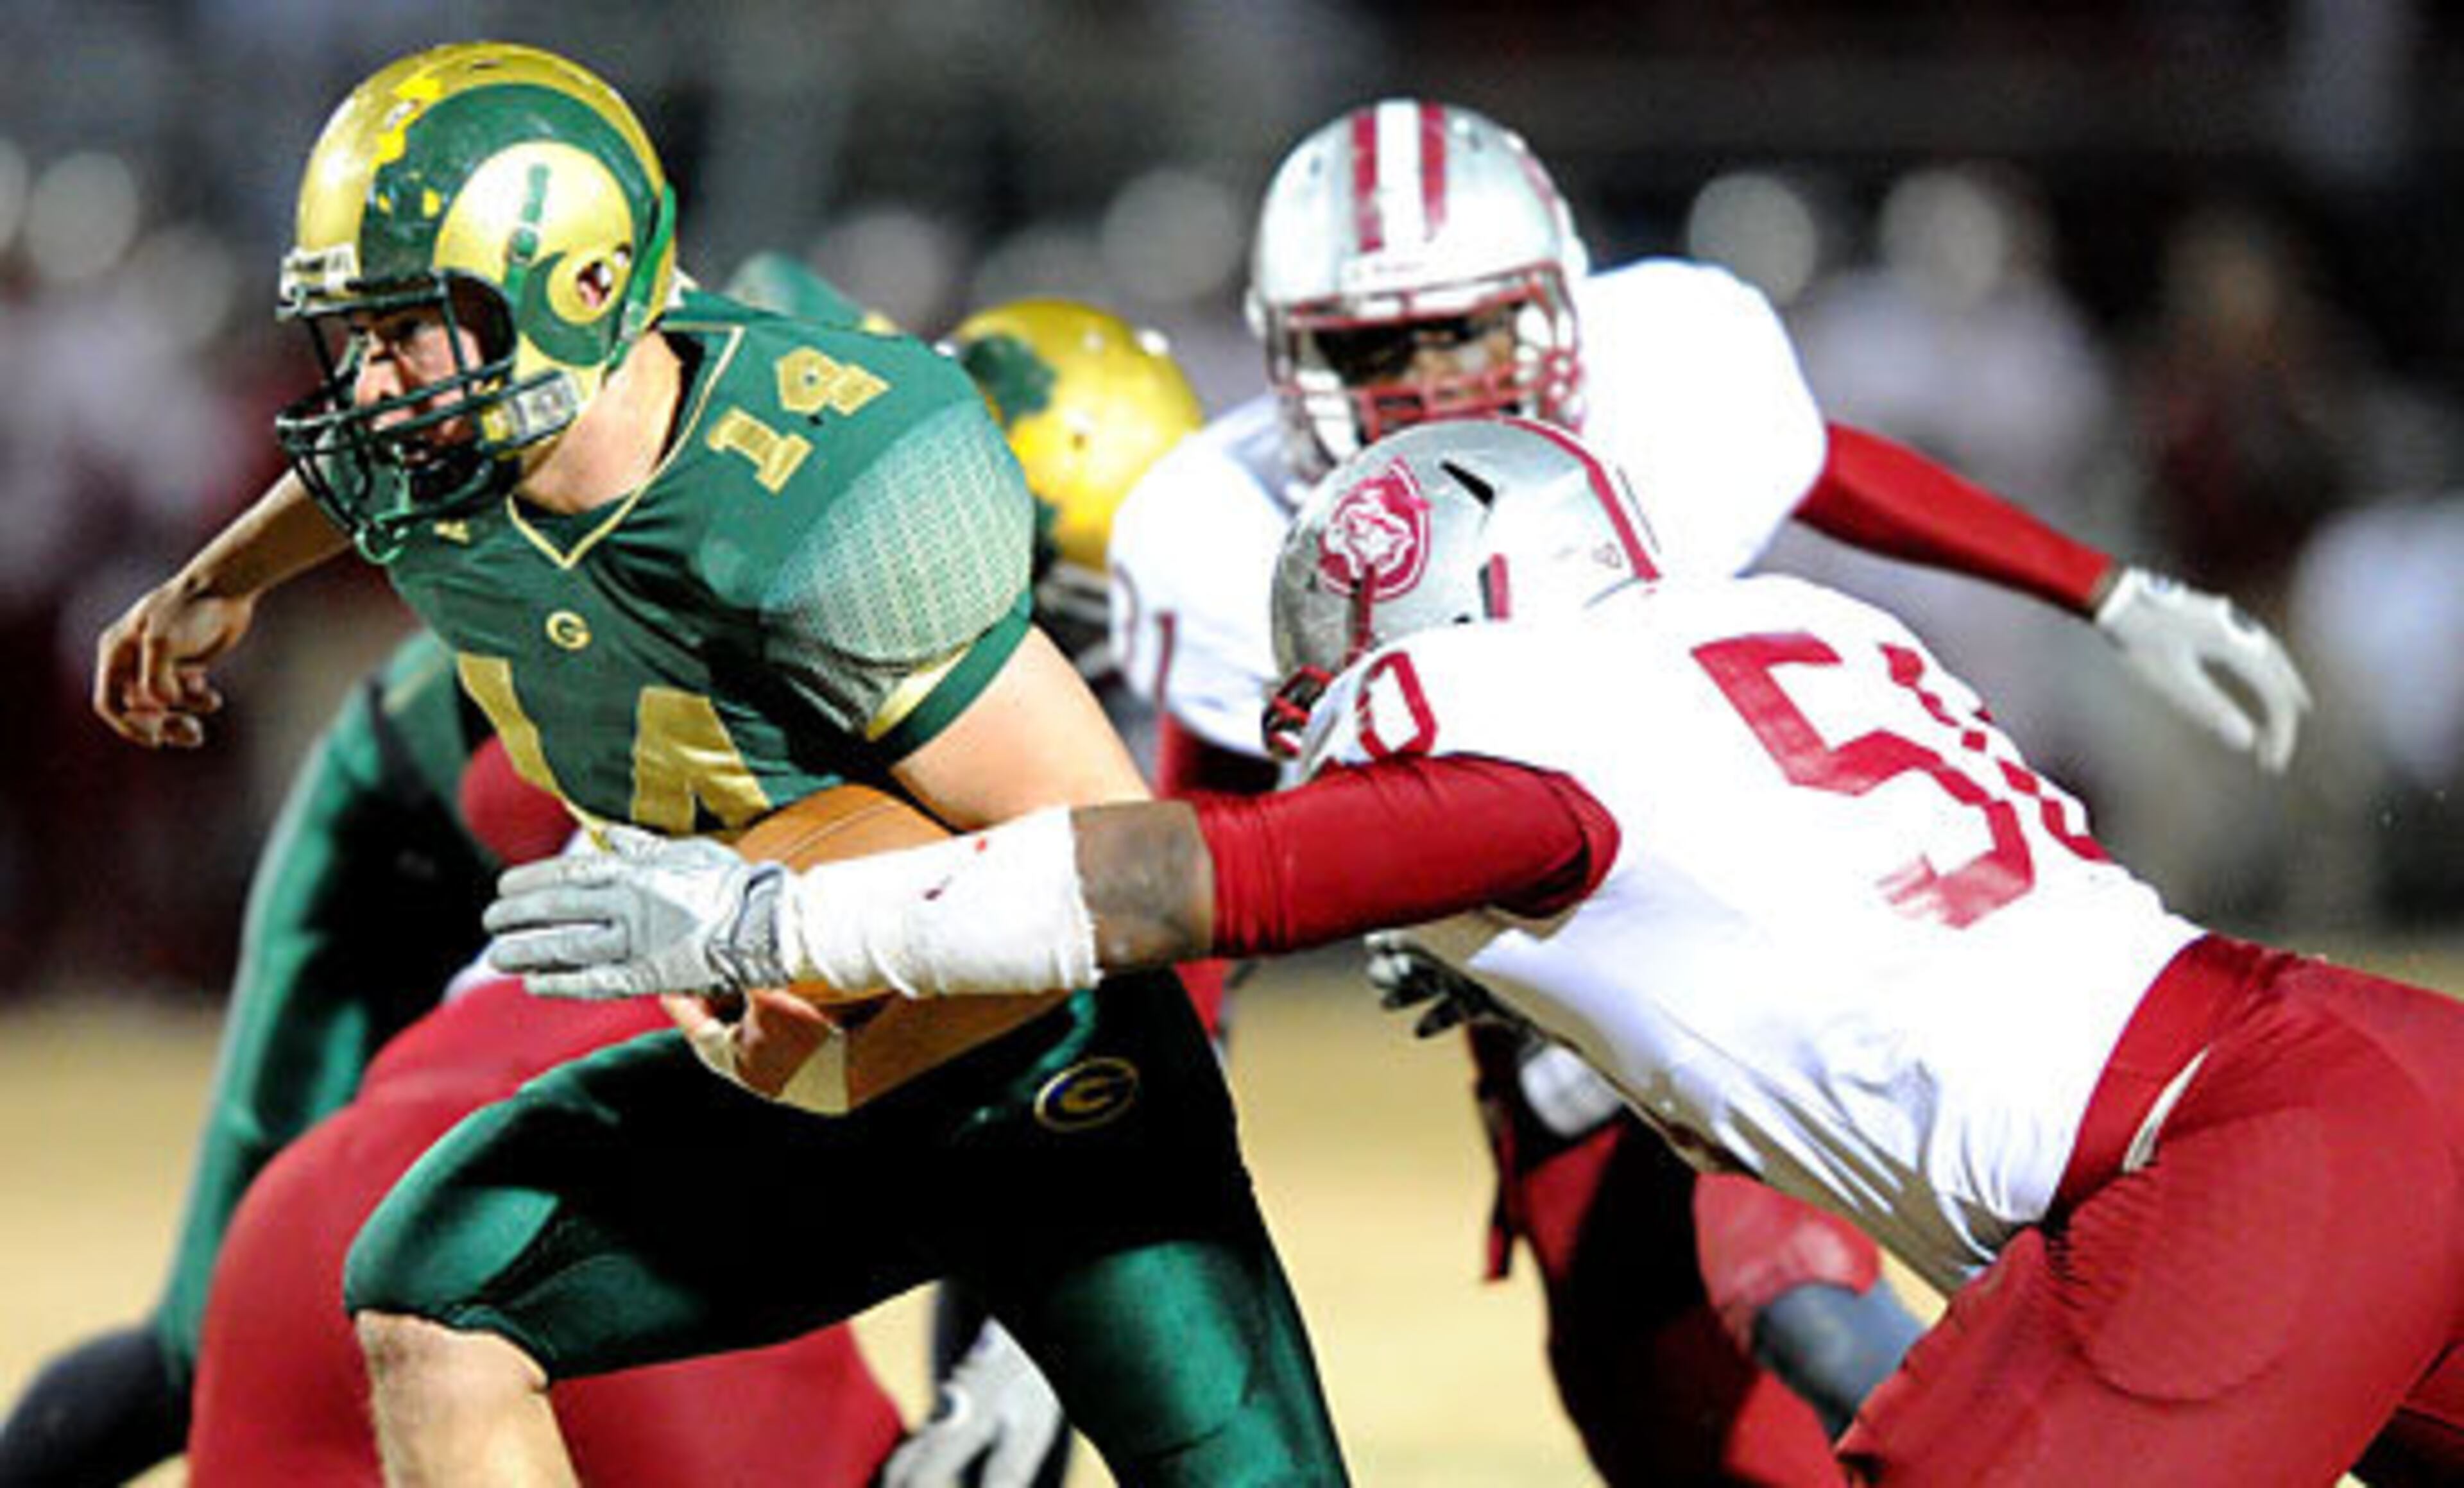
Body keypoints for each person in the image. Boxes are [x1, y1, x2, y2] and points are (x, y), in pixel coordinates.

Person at [488, 416, 2464, 1487]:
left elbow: (1169, 886)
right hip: (2357, 1067)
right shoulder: (1771, 633)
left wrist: (775, 913)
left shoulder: (1522, 737)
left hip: (2212, 1174)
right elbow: (1783, 946)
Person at [92, 40, 1342, 1487]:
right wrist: (219, 580)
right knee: (430, 1288)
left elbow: (1106, 853)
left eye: (406, 329)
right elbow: (347, 471)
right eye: (358, 336)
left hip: (1035, 1078)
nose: (369, 386)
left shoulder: (825, 494)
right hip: (786, 1087)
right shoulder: (459, 450)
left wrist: (799, 946)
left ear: (577, 291)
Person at [1101, 98, 2309, 1483]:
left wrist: (2104, 587)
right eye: (1377, 345)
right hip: (1554, 1045)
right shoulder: (1239, 528)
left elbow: (1817, 459)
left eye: (1465, 326)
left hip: (1742, 935)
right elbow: (1210, 858)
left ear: (1555, 308)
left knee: (1802, 1286)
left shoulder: (1666, 380)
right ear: (1291, 352)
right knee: (1653, 1409)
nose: (1431, 381)